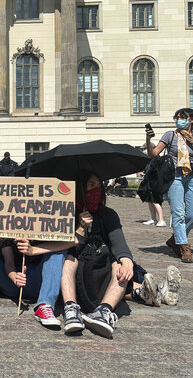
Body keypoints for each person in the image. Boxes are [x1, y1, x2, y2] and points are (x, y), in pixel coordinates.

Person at [60, 172, 181, 338]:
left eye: (97, 185)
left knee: (119, 265)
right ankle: (71, 308)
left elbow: (118, 243)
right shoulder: (68, 214)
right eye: (90, 185)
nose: (95, 189)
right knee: (69, 260)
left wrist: (126, 261)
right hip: (78, 272)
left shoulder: (108, 214)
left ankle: (104, 311)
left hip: (102, 269)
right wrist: (80, 228)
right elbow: (67, 246)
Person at [146, 108, 193, 262]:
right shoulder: (171, 135)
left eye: (183, 117)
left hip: (191, 177)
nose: (179, 119)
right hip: (175, 177)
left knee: (191, 215)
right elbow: (153, 153)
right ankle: (184, 247)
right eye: (177, 117)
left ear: (191, 120)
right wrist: (148, 139)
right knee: (178, 213)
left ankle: (174, 239)